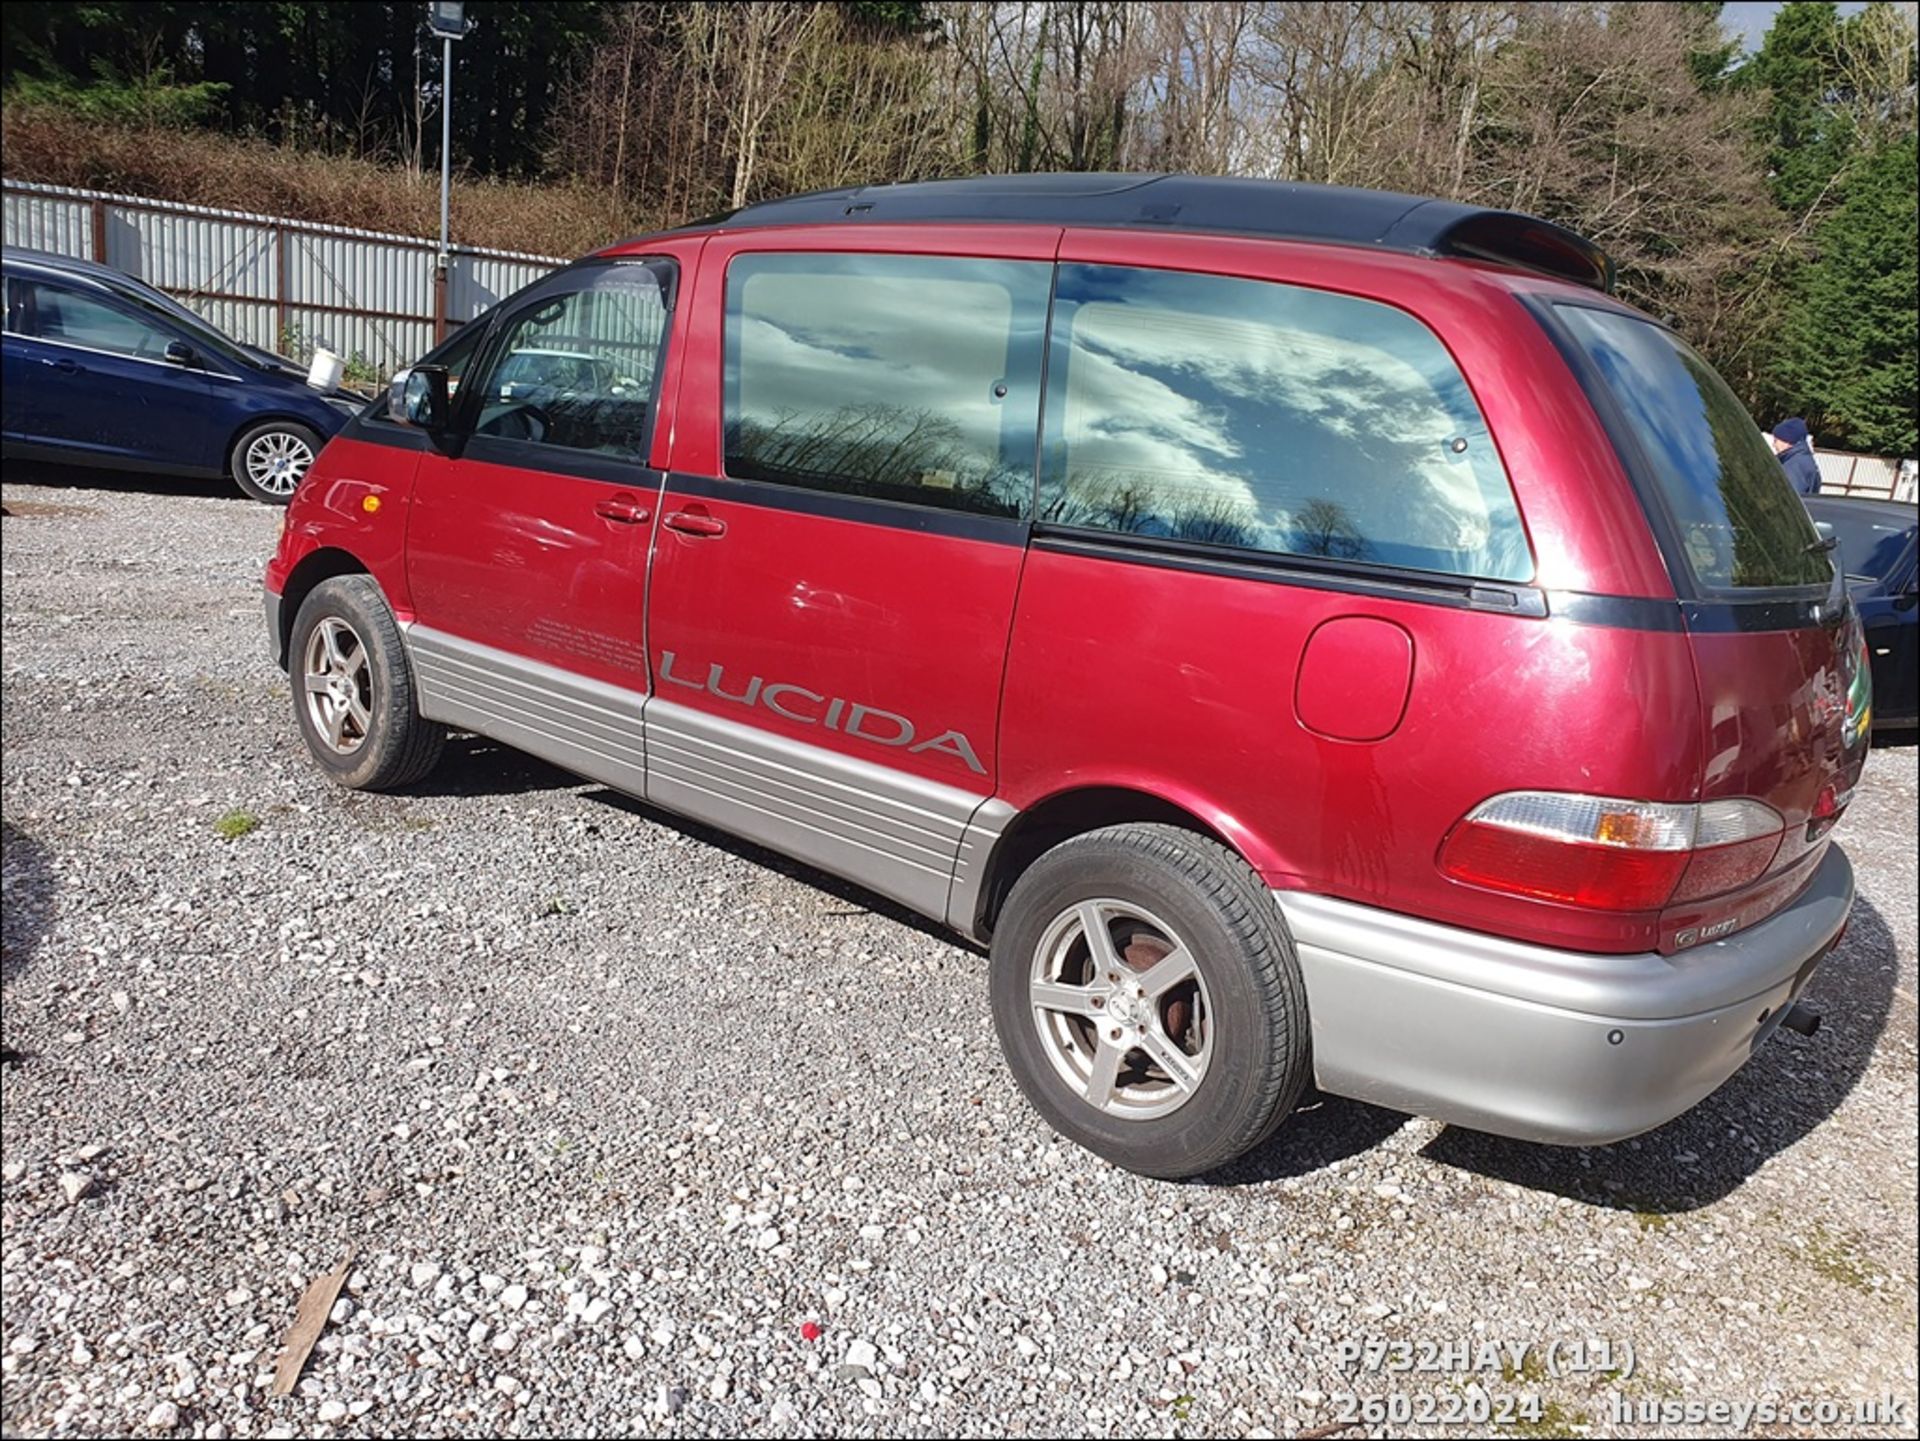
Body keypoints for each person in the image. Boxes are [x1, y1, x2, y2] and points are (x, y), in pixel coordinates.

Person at [1769, 417, 1822, 497]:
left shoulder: (1794, 467)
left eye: (1776, 440)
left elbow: (1788, 500)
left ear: (1787, 441)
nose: (1774, 444)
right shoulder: (1802, 461)